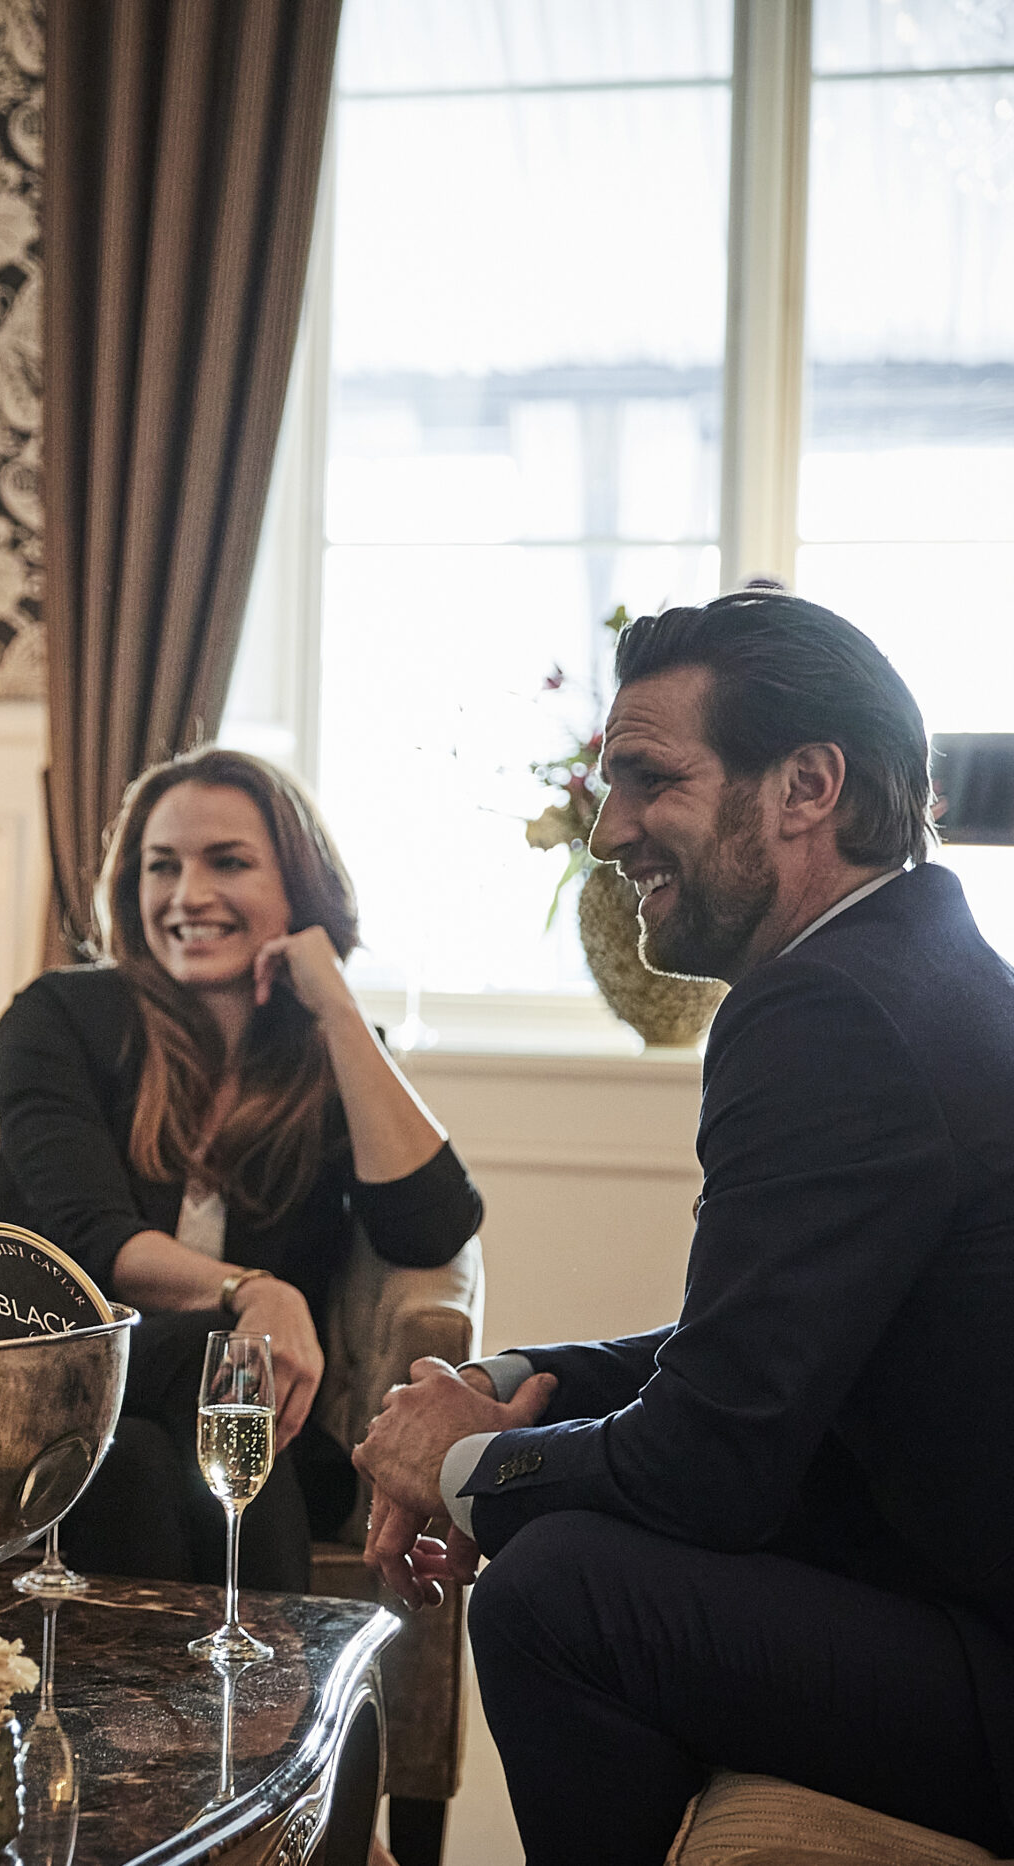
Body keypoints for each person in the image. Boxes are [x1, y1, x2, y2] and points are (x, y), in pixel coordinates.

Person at [355, 589, 1014, 1864]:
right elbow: (754, 1347)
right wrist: (500, 1390)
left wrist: (457, 1469)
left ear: (805, 785)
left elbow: (707, 1466)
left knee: (559, 1594)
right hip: (948, 1595)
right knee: (571, 1549)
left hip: (987, 1661)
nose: (608, 834)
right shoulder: (920, 963)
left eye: (649, 779)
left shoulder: (827, 1014)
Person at [0, 747, 480, 1588]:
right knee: (219, 1373)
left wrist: (335, 1005)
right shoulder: (58, 1019)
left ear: (298, 884)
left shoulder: (322, 1052)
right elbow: (87, 1238)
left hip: (250, 1437)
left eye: (229, 862)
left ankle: (179, 1713)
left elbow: (429, 1223)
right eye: (162, 867)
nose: (188, 896)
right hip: (57, 1376)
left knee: (141, 1458)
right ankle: (279, 1701)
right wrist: (251, 1289)